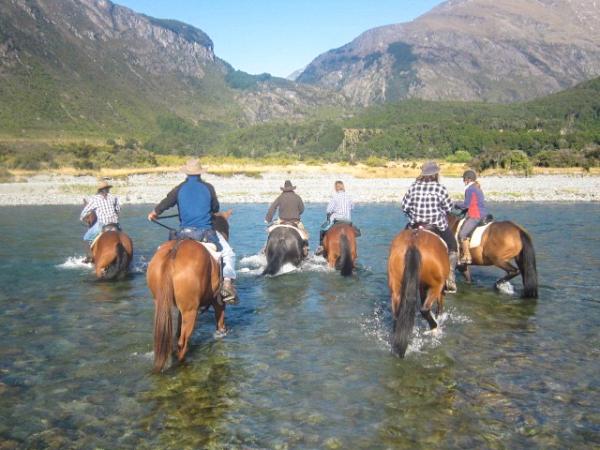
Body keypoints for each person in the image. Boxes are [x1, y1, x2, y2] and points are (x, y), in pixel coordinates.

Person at [147, 159, 238, 304]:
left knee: (162, 251)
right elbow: (215, 208)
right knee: (229, 253)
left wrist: (155, 213)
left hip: (184, 233)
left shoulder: (179, 188)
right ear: (200, 173)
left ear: (187, 173)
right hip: (205, 233)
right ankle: (227, 285)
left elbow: (166, 201)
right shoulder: (208, 188)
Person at [400, 161, 458, 293]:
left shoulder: (413, 187)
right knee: (453, 247)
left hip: (415, 225)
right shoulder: (440, 188)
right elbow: (449, 208)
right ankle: (450, 277)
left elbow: (404, 207)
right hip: (436, 225)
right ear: (435, 174)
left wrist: (413, 215)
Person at [265, 180, 309, 256]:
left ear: (284, 189)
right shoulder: (297, 197)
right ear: (292, 189)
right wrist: (296, 213)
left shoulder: (280, 197)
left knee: (269, 233)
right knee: (304, 234)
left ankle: (266, 248)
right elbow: (302, 209)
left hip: (281, 221)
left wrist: (268, 219)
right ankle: (305, 249)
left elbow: (272, 208)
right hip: (295, 222)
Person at [80, 179, 120, 261]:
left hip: (103, 225)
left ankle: (89, 257)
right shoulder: (114, 197)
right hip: (115, 224)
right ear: (108, 189)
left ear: (99, 190)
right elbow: (118, 210)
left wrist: (81, 218)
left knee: (86, 238)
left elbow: (85, 211)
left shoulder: (95, 199)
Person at [454, 169, 488, 265]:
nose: (463, 181)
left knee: (462, 234)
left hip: (475, 215)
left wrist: (455, 204)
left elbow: (466, 205)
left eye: (464, 179)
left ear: (468, 179)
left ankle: (467, 256)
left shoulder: (470, 189)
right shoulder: (477, 188)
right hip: (483, 213)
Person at [315, 180, 354, 256]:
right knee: (355, 232)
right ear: (343, 187)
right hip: (348, 221)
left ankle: (321, 247)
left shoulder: (335, 197)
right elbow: (352, 207)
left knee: (322, 229)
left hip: (337, 220)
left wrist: (333, 212)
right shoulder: (349, 197)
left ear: (336, 188)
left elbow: (328, 210)